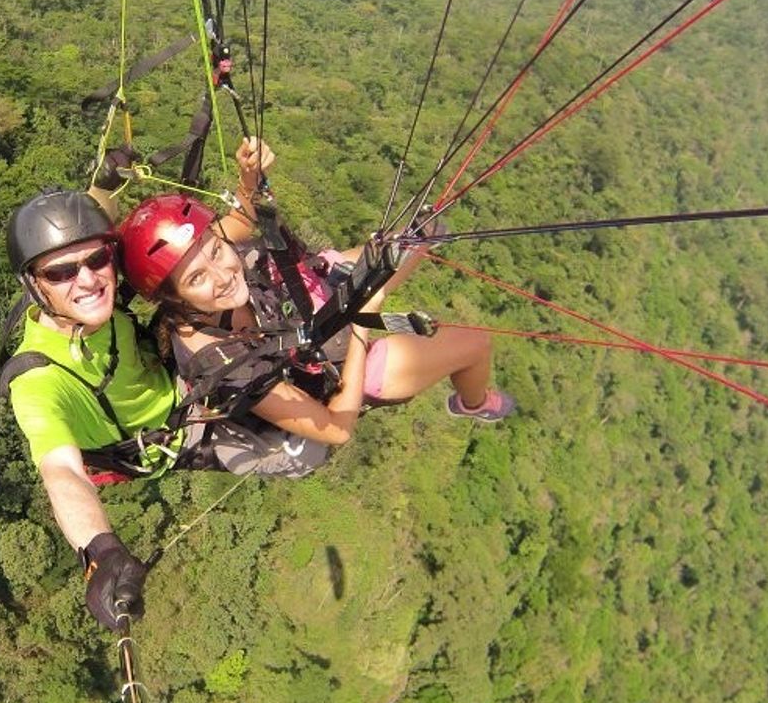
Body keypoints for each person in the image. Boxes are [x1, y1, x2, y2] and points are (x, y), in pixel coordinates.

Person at [2, 158, 325, 630]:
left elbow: (107, 216)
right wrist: (100, 551)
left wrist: (106, 183)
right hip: (172, 438)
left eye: (97, 261)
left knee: (232, 266)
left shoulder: (94, 295)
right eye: (61, 273)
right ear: (34, 285)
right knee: (308, 450)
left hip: (172, 372)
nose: (87, 280)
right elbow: (61, 472)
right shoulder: (38, 381)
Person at [118, 138, 514, 463]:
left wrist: (249, 174)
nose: (222, 275)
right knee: (476, 345)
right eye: (197, 278)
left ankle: (414, 245)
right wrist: (361, 323)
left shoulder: (206, 251)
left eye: (216, 252)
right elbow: (337, 428)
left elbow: (239, 220)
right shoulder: (220, 363)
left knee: (415, 237)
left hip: (302, 299)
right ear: (172, 298)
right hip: (338, 369)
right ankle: (473, 403)